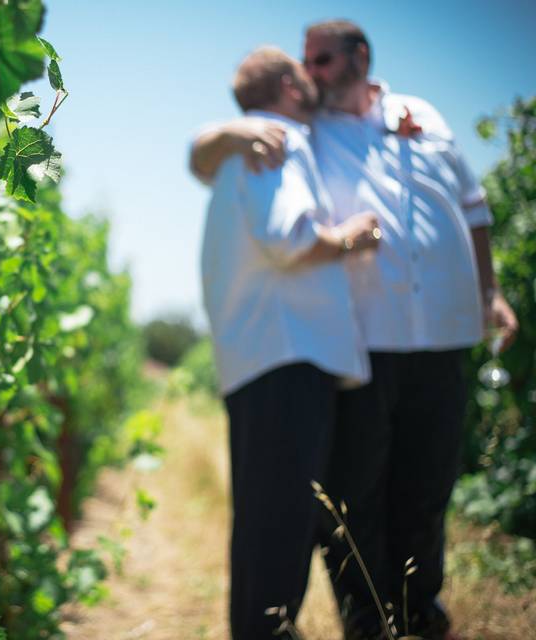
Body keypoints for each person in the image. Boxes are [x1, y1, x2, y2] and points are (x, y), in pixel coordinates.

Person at [191, 20, 519, 640]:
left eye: (320, 59)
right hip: (366, 344)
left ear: (359, 56)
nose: (310, 71)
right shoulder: (299, 128)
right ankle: (370, 621)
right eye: (304, 64)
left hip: (444, 334)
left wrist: (490, 291)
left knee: (429, 486)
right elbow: (204, 156)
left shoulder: (423, 115)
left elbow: (473, 207)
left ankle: (420, 615)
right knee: (355, 496)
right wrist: (230, 129)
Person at [199, 45, 381, 640]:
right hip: (289, 355)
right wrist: (352, 237)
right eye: (304, 73)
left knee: (265, 522)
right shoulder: (278, 141)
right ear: (289, 86)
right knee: (282, 526)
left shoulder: (240, 147)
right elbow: (290, 237)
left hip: (263, 358)